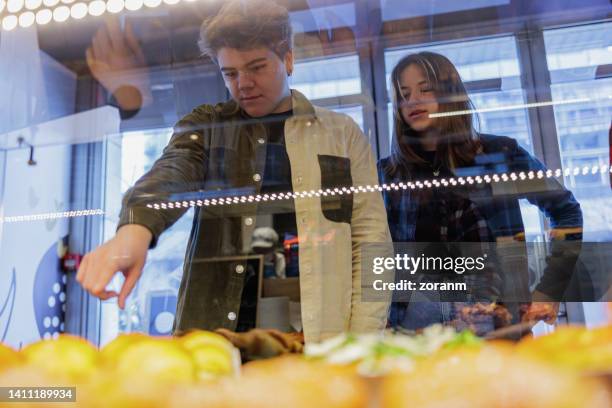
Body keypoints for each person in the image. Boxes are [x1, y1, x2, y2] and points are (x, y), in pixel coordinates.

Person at [77, 0, 391, 343]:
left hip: (315, 341)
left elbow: (371, 242)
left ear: (288, 58)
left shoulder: (341, 134)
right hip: (213, 341)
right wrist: (134, 231)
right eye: (230, 73)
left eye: (256, 67)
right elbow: (172, 170)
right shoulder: (207, 125)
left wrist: (361, 341)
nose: (243, 84)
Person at [378, 52, 583, 334]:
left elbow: (566, 210)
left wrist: (550, 290)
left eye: (426, 89)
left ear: (449, 94)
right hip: (417, 340)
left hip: (498, 330)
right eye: (403, 94)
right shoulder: (388, 174)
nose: (413, 100)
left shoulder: (499, 154)